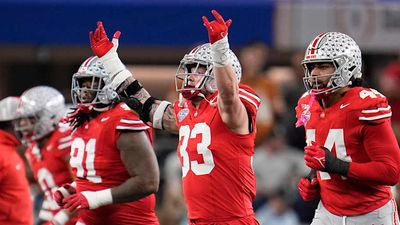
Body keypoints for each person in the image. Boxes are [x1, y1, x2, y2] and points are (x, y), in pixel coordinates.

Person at [88, 9, 261, 224]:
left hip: (234, 220)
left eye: (198, 69)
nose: (189, 75)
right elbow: (145, 106)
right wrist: (111, 61)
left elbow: (228, 95)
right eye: (189, 68)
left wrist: (220, 48)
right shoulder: (188, 112)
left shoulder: (231, 110)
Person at [295, 32, 400, 225]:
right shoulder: (307, 104)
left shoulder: (364, 105)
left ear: (347, 67)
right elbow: (325, 155)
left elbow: (391, 172)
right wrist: (313, 179)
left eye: (323, 65)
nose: (314, 74)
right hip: (327, 212)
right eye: (311, 67)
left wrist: (335, 165)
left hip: (371, 214)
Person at [55, 56, 159, 225]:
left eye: (91, 84)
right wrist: (74, 189)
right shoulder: (84, 119)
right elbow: (102, 177)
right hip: (92, 219)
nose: (84, 90)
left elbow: (148, 182)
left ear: (110, 85)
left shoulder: (122, 119)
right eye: (82, 84)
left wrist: (94, 198)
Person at [15, 86, 77, 225]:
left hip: (79, 218)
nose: (23, 124)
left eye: (30, 118)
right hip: (58, 216)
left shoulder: (63, 140)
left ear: (50, 116)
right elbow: (49, 192)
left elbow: (83, 187)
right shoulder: (32, 149)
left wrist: (58, 220)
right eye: (22, 119)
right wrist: (44, 219)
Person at [0, 96, 33, 225]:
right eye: (25, 121)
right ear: (14, 123)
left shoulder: (9, 148)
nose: (29, 126)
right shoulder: (2, 152)